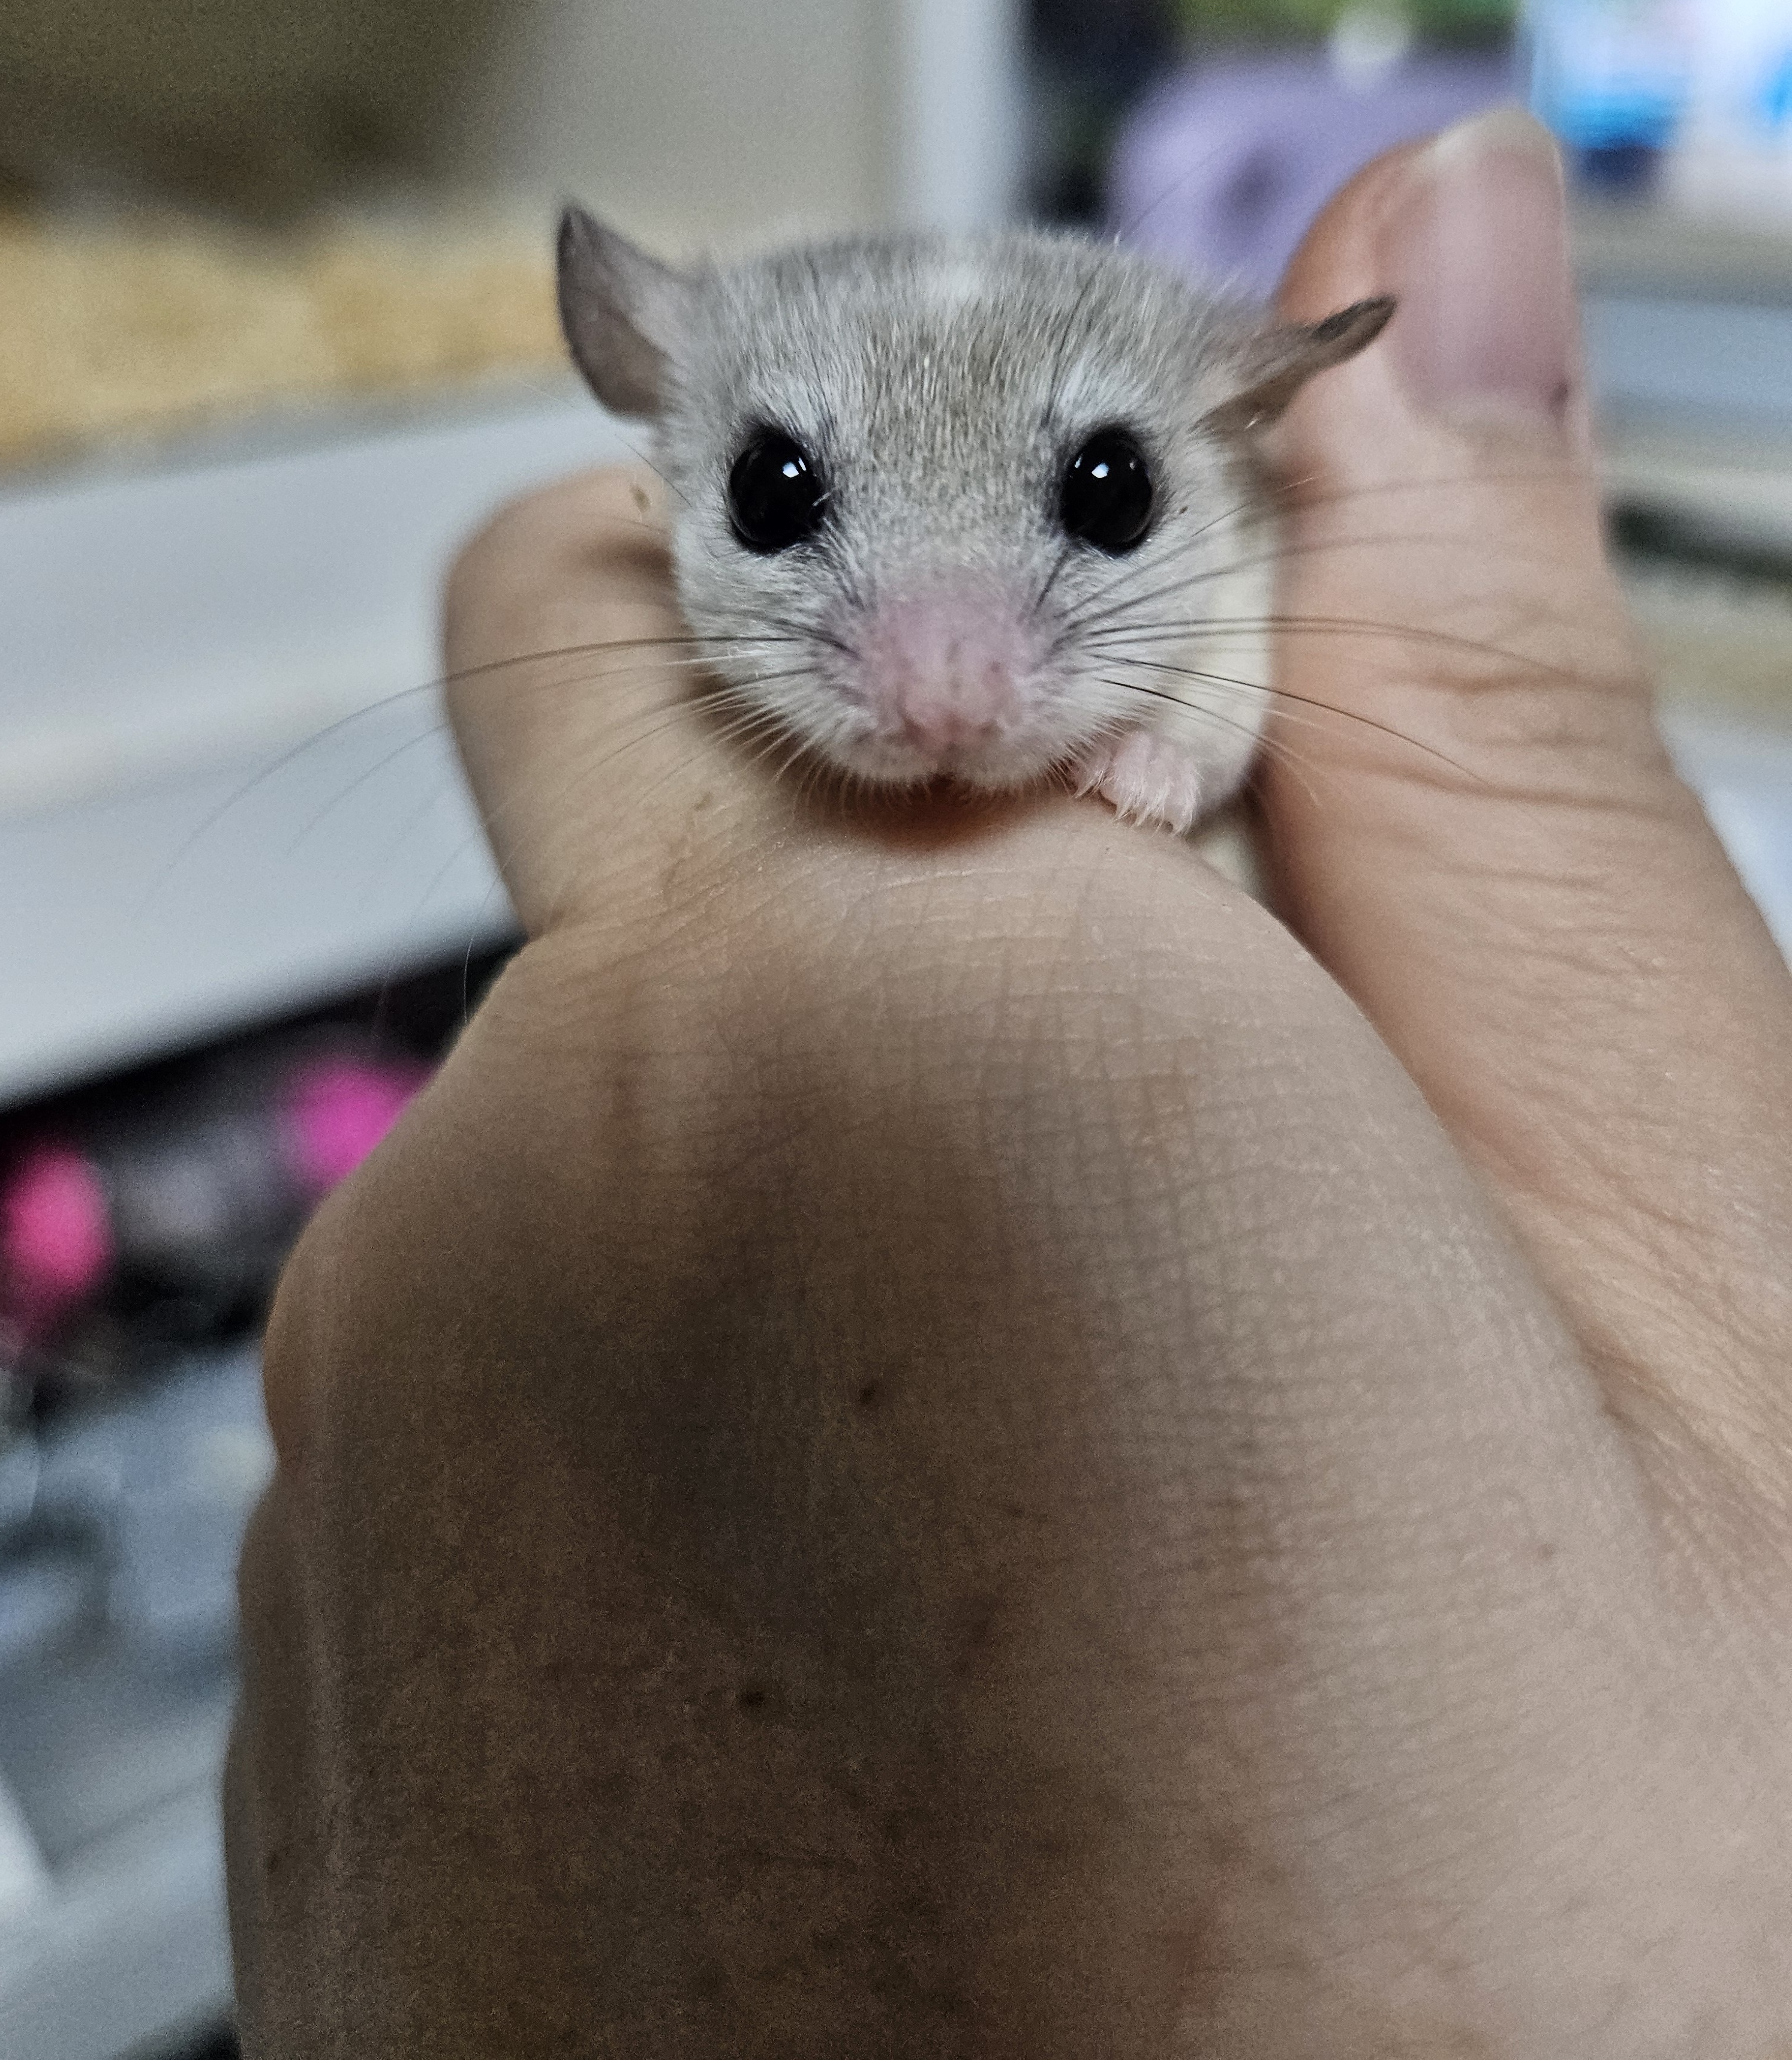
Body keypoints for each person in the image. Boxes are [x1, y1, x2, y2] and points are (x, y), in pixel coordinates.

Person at [224, 113, 1792, 2056]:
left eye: (1103, 496)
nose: (943, 688)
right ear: (663, 434)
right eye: (787, 494)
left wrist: (1189, 746)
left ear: (1234, 430)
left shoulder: (1258, 551)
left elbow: (1244, 663)